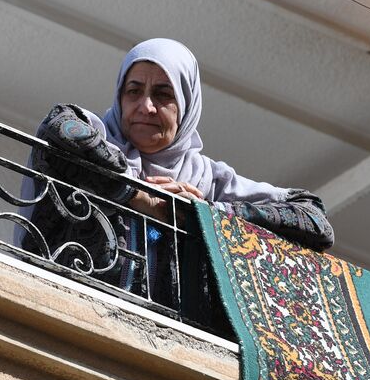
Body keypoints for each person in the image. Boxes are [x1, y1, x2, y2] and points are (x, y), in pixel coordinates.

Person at [23, 38, 333, 306]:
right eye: (133, 91)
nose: (145, 106)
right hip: (60, 301)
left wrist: (202, 215)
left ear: (186, 104)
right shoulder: (93, 131)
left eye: (163, 94)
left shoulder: (207, 179)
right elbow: (57, 128)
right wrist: (137, 195)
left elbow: (314, 220)